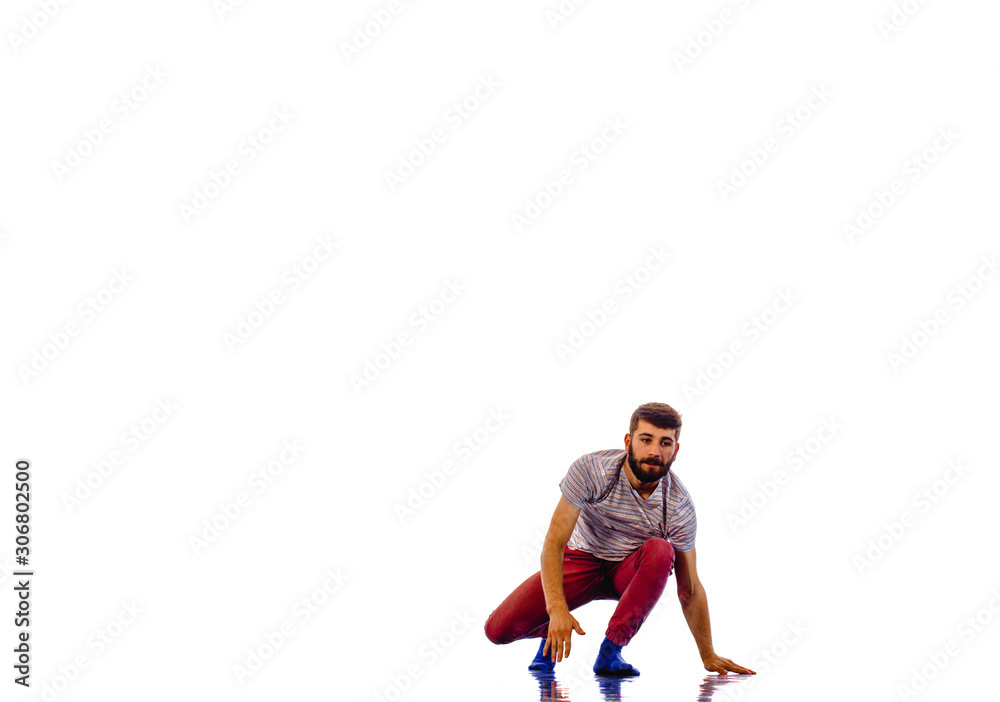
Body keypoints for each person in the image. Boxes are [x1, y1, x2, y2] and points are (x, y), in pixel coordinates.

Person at [484, 402, 756, 677]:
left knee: (661, 550)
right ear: (628, 441)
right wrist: (556, 610)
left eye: (665, 443)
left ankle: (610, 652)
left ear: (676, 450)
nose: (654, 451)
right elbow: (553, 544)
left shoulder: (678, 505)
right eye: (646, 440)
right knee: (497, 631)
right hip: (581, 561)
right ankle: (550, 637)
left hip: (629, 571)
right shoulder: (591, 470)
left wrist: (708, 654)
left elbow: (690, 588)